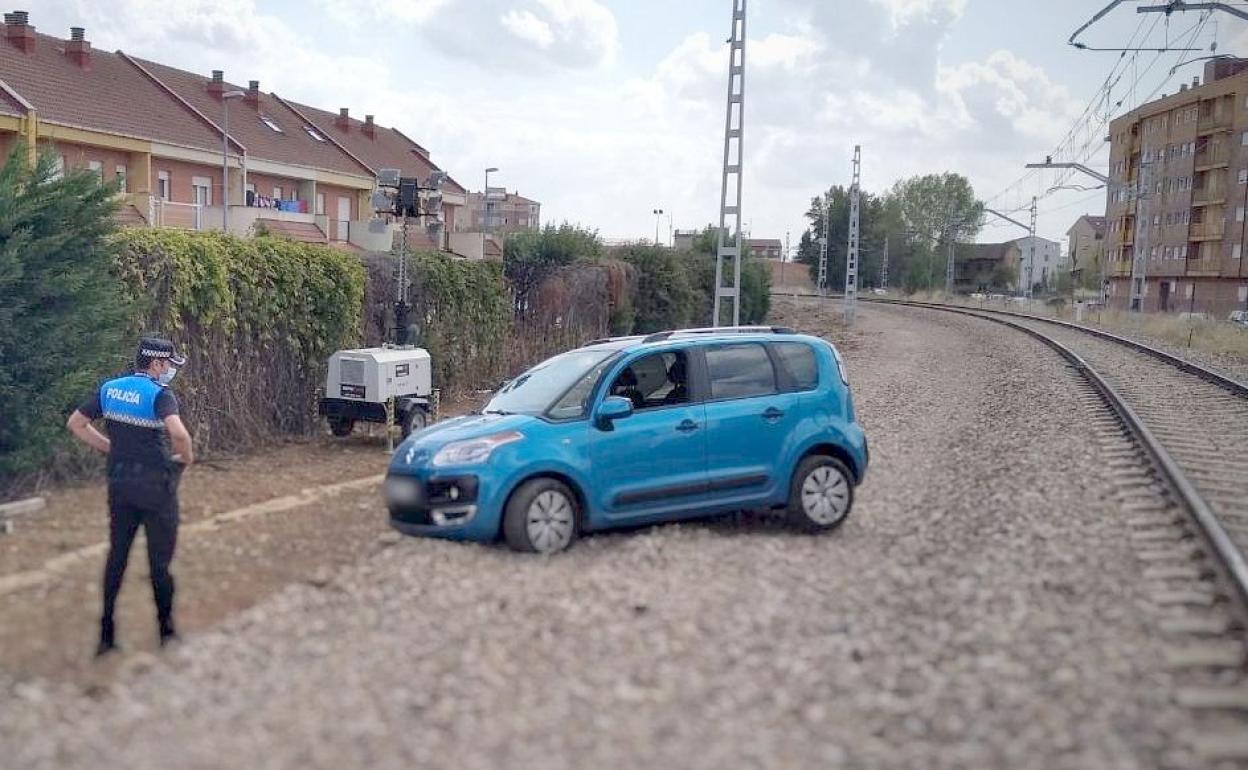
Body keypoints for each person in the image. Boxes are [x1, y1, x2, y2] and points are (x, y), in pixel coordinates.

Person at [66, 336, 193, 656]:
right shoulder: (160, 396)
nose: (171, 371)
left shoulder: (110, 389)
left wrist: (111, 448)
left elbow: (76, 423)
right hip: (155, 490)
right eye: (170, 365)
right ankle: (166, 634)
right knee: (159, 563)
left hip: (120, 487)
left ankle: (106, 637)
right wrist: (185, 458)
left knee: (116, 559)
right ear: (156, 364)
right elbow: (178, 434)